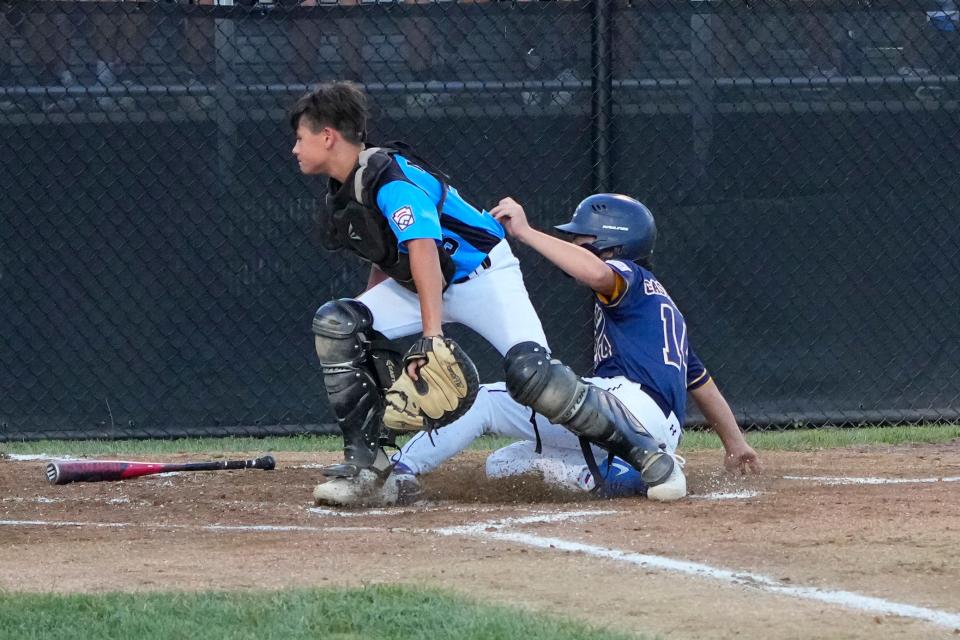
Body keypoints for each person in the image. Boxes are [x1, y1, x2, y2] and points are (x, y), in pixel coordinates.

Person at [386, 194, 762, 504]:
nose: (573, 244)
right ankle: (623, 475)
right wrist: (735, 443)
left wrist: (527, 232)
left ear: (610, 244)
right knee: (504, 463)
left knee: (485, 401)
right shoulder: (660, 306)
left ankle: (397, 470)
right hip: (654, 428)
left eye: (581, 238)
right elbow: (700, 381)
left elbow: (599, 272)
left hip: (625, 405)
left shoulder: (628, 273)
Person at [290, 81, 552, 506]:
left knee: (538, 379)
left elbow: (423, 248)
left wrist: (431, 336)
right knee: (340, 323)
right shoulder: (348, 185)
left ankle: (638, 450)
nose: (295, 149)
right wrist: (366, 320)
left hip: (482, 276)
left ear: (327, 136)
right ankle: (369, 467)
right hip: (420, 283)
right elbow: (389, 252)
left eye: (300, 138)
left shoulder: (389, 179)